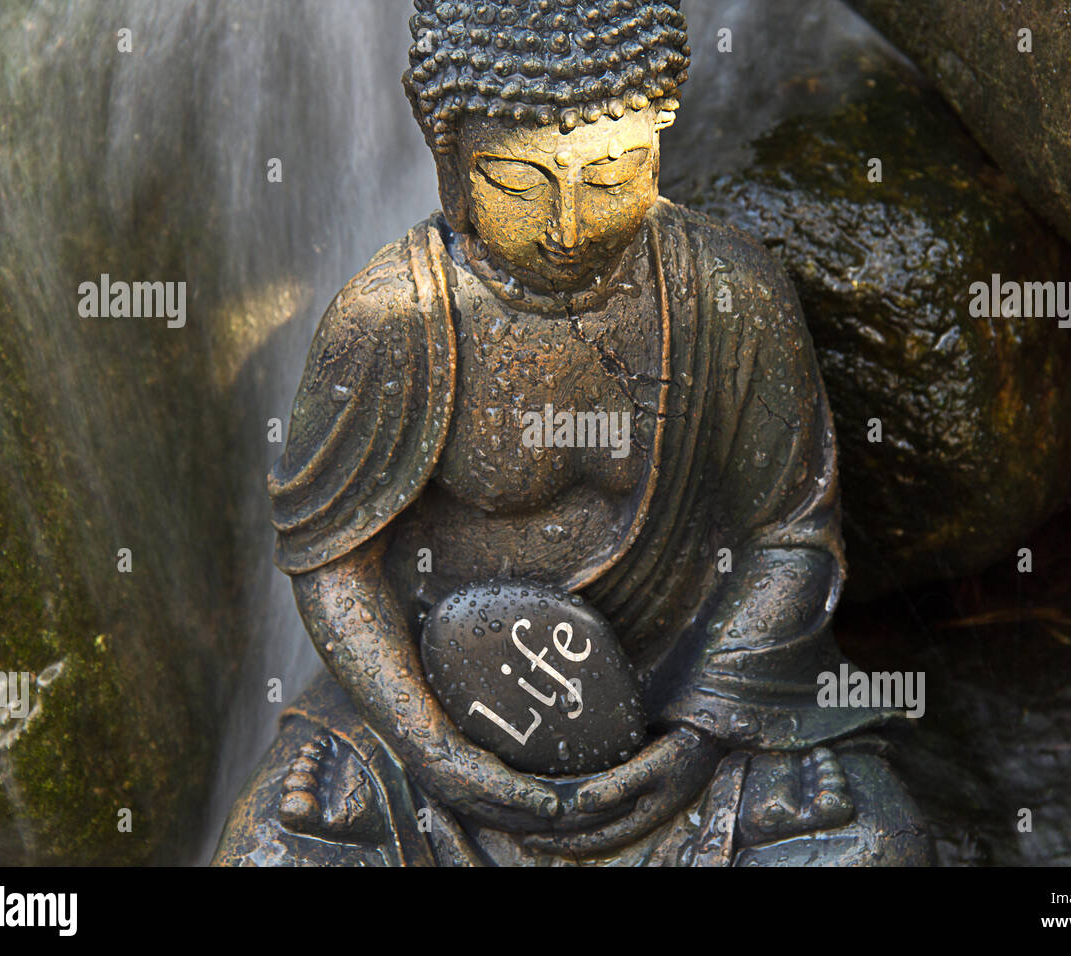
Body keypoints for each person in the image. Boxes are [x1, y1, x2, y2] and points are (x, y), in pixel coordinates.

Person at [214, 0, 930, 866]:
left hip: (691, 698)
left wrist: (700, 732)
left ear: (661, 137)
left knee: (869, 850)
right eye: (518, 184)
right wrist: (439, 752)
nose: (568, 228)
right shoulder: (396, 321)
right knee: (273, 855)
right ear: (449, 160)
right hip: (444, 705)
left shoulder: (730, 294)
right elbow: (334, 563)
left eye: (612, 174)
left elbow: (788, 538)